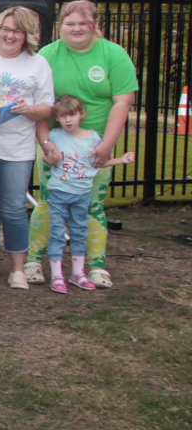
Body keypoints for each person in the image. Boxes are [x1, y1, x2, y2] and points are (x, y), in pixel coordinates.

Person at [30, 0, 138, 289]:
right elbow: (40, 104)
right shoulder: (48, 55)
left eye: (83, 23)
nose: (76, 28)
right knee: (47, 203)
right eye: (70, 23)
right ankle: (33, 261)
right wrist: (46, 144)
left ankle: (95, 266)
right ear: (61, 26)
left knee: (92, 206)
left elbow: (122, 102)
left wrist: (106, 145)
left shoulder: (113, 54)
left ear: (94, 25)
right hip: (56, 148)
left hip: (95, 148)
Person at [0, 6, 55, 290]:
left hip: (18, 149)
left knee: (15, 208)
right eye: (6, 28)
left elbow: (47, 107)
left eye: (17, 30)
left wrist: (28, 109)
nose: (10, 35)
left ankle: (18, 270)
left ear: (27, 34)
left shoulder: (38, 64)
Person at [42, 96, 135, 294]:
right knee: (57, 233)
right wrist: (51, 158)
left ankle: (77, 273)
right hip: (59, 193)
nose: (68, 120)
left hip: (82, 195)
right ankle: (57, 276)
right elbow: (47, 159)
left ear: (81, 115)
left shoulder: (93, 138)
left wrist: (120, 160)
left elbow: (97, 163)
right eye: (63, 116)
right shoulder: (55, 135)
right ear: (57, 118)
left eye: (72, 115)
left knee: (79, 232)